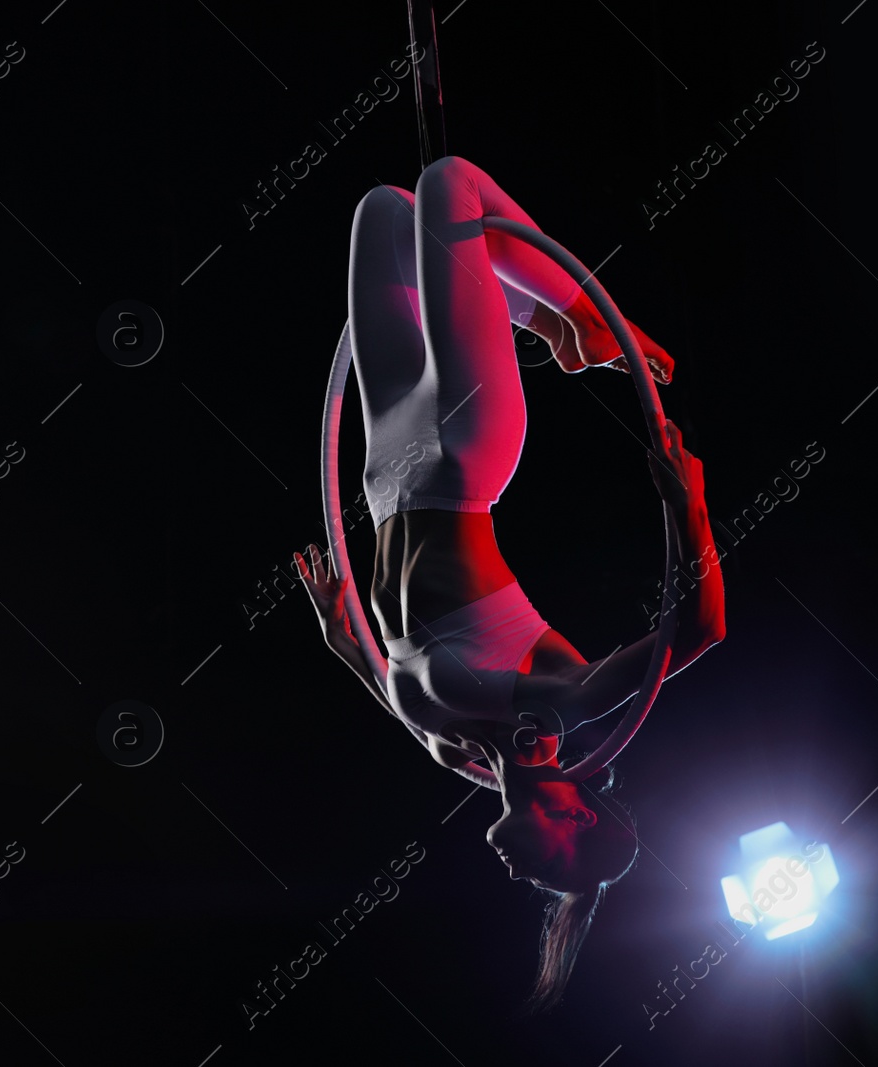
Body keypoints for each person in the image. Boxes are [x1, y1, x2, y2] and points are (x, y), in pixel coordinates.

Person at [295, 156, 726, 1012]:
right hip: (464, 452)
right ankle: (582, 323)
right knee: (448, 183)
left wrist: (346, 642)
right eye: (547, 872)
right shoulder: (557, 707)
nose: (518, 871)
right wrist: (693, 504)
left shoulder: (453, 751)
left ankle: (547, 321)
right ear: (579, 819)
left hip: (385, 474)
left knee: (384, 211)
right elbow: (702, 631)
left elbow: (391, 679)